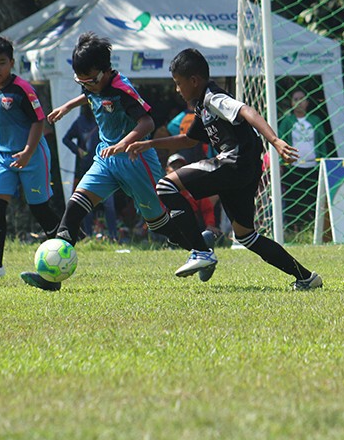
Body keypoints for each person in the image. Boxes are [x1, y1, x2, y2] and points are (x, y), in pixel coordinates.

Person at [126, 48, 323, 291]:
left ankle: (200, 250)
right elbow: (189, 140)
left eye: (178, 84)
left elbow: (247, 110)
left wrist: (275, 141)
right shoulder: (202, 106)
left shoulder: (212, 97)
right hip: (244, 170)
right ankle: (306, 277)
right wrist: (149, 143)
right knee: (246, 236)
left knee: (166, 185)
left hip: (235, 161)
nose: (177, 89)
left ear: (194, 81)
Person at [18, 32, 189, 291]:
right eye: (81, 81)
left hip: (135, 159)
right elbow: (90, 95)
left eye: (91, 80)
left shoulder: (123, 90)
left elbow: (147, 122)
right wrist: (68, 106)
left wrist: (124, 143)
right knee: (75, 205)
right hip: (105, 158)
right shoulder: (92, 84)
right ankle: (51, 279)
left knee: (158, 222)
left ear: (106, 71)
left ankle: (199, 244)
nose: (87, 85)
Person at [0, 35, 61, 280]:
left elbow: (39, 121)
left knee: (39, 208)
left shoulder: (23, 89)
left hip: (32, 156)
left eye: (2, 62)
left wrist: (28, 152)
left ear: (11, 63)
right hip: (2, 157)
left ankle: (65, 249)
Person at [277, 88, 332, 233]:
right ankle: (293, 228)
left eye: (302, 99)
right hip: (293, 167)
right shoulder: (287, 121)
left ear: (307, 102)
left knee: (313, 197)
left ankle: (313, 227)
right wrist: (282, 162)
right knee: (293, 197)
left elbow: (323, 142)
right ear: (291, 102)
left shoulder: (315, 120)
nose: (299, 102)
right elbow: (281, 140)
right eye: (295, 99)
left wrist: (323, 161)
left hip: (313, 166)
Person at [62, 106, 119, 239]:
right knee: (86, 203)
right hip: (87, 168)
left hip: (106, 168)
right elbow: (66, 139)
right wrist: (78, 150)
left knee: (109, 204)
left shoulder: (105, 119)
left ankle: (113, 236)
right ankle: (89, 236)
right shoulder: (80, 121)